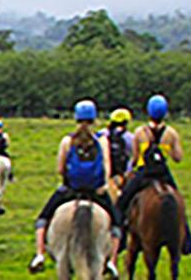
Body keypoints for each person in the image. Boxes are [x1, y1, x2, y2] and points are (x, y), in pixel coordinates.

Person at [28, 100, 123, 276]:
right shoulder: (102, 141)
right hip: (96, 192)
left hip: (70, 190)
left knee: (42, 219)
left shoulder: (67, 141)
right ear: (94, 119)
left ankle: (39, 255)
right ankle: (112, 262)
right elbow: (107, 167)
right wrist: (102, 186)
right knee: (117, 225)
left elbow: (60, 168)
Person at [116, 94, 191, 255]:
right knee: (179, 203)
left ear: (148, 112)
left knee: (122, 202)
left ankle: (120, 236)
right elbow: (178, 157)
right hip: (162, 174)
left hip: (144, 174)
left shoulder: (140, 132)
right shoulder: (171, 133)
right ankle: (186, 242)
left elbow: (135, 158)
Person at [104, 108, 136, 193]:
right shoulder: (130, 137)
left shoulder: (103, 134)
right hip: (122, 173)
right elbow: (133, 157)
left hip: (105, 173)